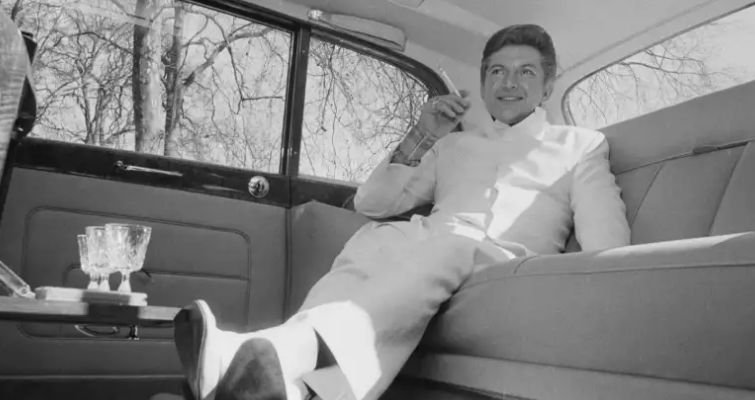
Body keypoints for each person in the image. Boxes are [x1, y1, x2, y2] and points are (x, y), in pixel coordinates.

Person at [172, 24, 631, 400]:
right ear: (484, 81)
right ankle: (288, 388)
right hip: (428, 242)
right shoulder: (453, 143)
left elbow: (607, 244)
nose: (509, 83)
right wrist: (420, 134)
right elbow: (374, 203)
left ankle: (273, 355)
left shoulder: (579, 145)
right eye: (496, 72)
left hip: (506, 259)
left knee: (452, 244)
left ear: (548, 85)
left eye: (525, 72)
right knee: (373, 238)